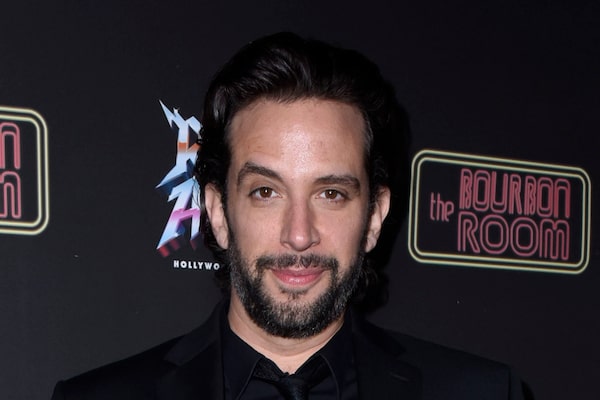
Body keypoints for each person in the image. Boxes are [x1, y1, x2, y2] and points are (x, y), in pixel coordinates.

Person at [51, 32, 524, 400]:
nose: (299, 235)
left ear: (375, 217)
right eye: (266, 192)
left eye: (331, 194)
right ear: (218, 212)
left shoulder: (481, 393)